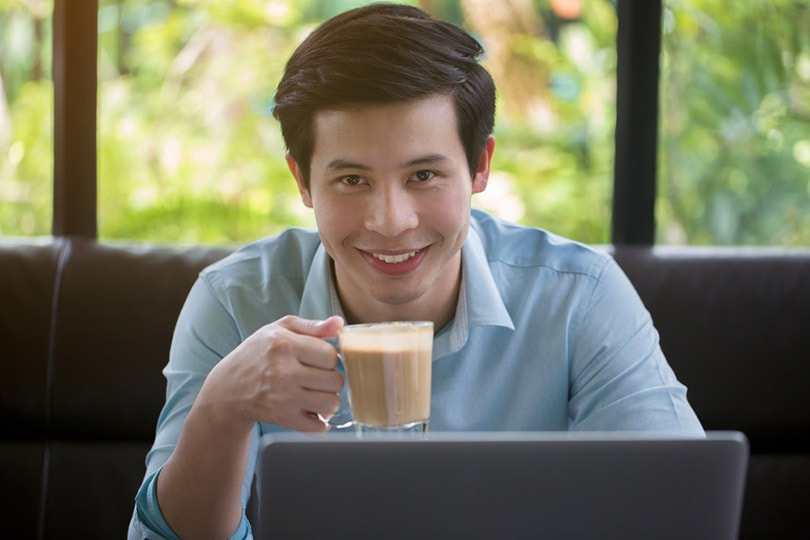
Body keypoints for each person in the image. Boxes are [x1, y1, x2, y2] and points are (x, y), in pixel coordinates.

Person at [129, 3, 704, 538]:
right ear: (303, 182)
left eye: (423, 176)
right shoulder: (233, 301)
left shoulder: (578, 298)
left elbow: (684, 510)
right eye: (352, 180)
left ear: (479, 166)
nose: (390, 222)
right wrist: (222, 408)